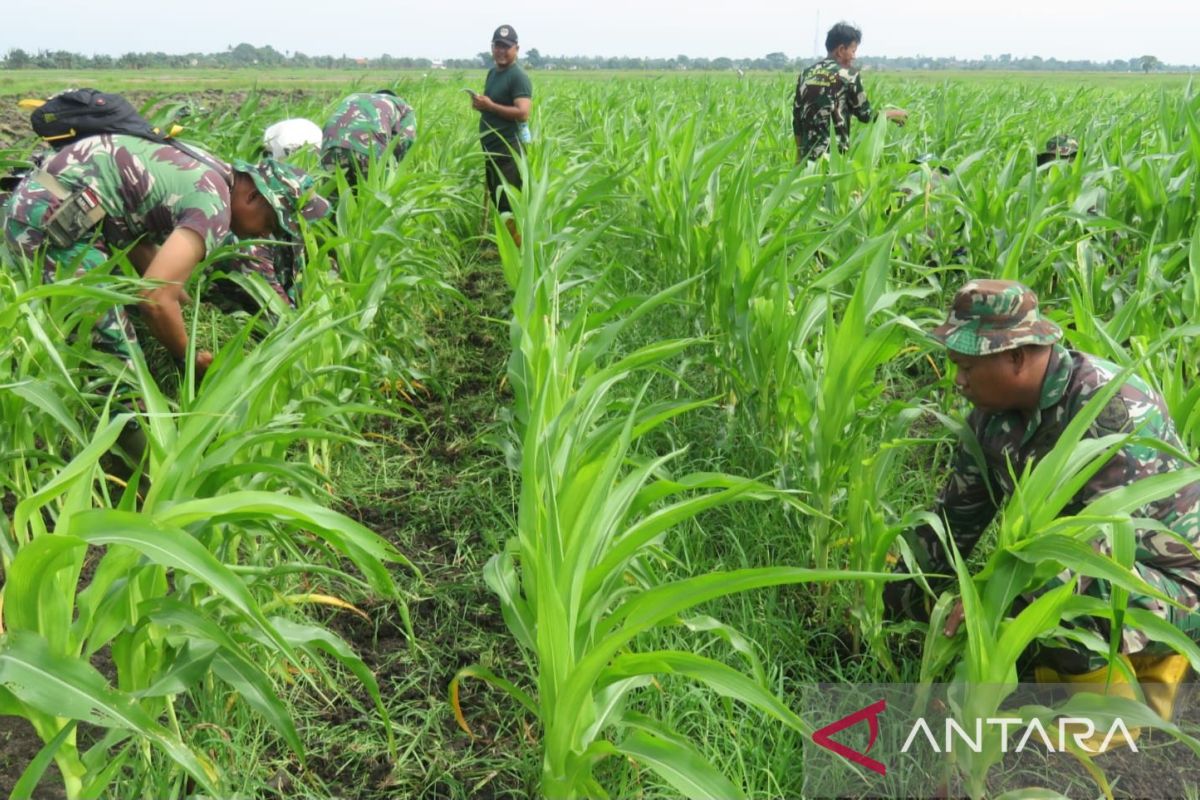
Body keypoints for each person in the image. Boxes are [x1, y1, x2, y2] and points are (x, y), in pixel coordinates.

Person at [887, 279, 1200, 689]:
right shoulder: (992, 413)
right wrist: (892, 601)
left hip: (1169, 583)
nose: (958, 382)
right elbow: (953, 520)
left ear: (1016, 357)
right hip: (1074, 563)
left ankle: (1109, 704)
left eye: (967, 368)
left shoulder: (1109, 412)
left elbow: (1095, 553)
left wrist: (993, 601)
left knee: (1065, 608)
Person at [1, 133, 329, 378]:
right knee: (119, 367)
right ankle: (142, 463)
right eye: (270, 224)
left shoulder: (210, 168)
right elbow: (155, 299)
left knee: (122, 324)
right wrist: (190, 359)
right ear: (254, 195)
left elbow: (138, 241)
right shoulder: (215, 206)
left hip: (44, 202)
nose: (263, 236)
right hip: (54, 222)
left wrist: (186, 308)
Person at [793, 22, 907, 163]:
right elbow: (866, 115)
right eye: (853, 51)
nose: (854, 56)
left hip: (807, 159)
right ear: (841, 50)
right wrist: (890, 114)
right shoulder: (849, 74)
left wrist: (799, 156)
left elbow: (797, 120)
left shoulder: (806, 73)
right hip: (834, 159)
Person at [471, 24, 532, 247]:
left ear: (516, 48)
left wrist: (491, 106)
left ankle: (515, 253)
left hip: (508, 151)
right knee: (499, 201)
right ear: (492, 47)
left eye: (507, 47)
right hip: (492, 150)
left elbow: (523, 113)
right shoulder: (493, 72)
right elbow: (493, 104)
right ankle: (503, 247)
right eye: (498, 46)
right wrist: (481, 105)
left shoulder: (518, 76)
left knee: (508, 203)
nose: (501, 51)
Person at [320, 90, 417, 185]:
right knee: (379, 196)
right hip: (369, 148)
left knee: (334, 197)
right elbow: (405, 142)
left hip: (330, 145)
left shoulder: (352, 97)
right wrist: (394, 165)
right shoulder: (403, 106)